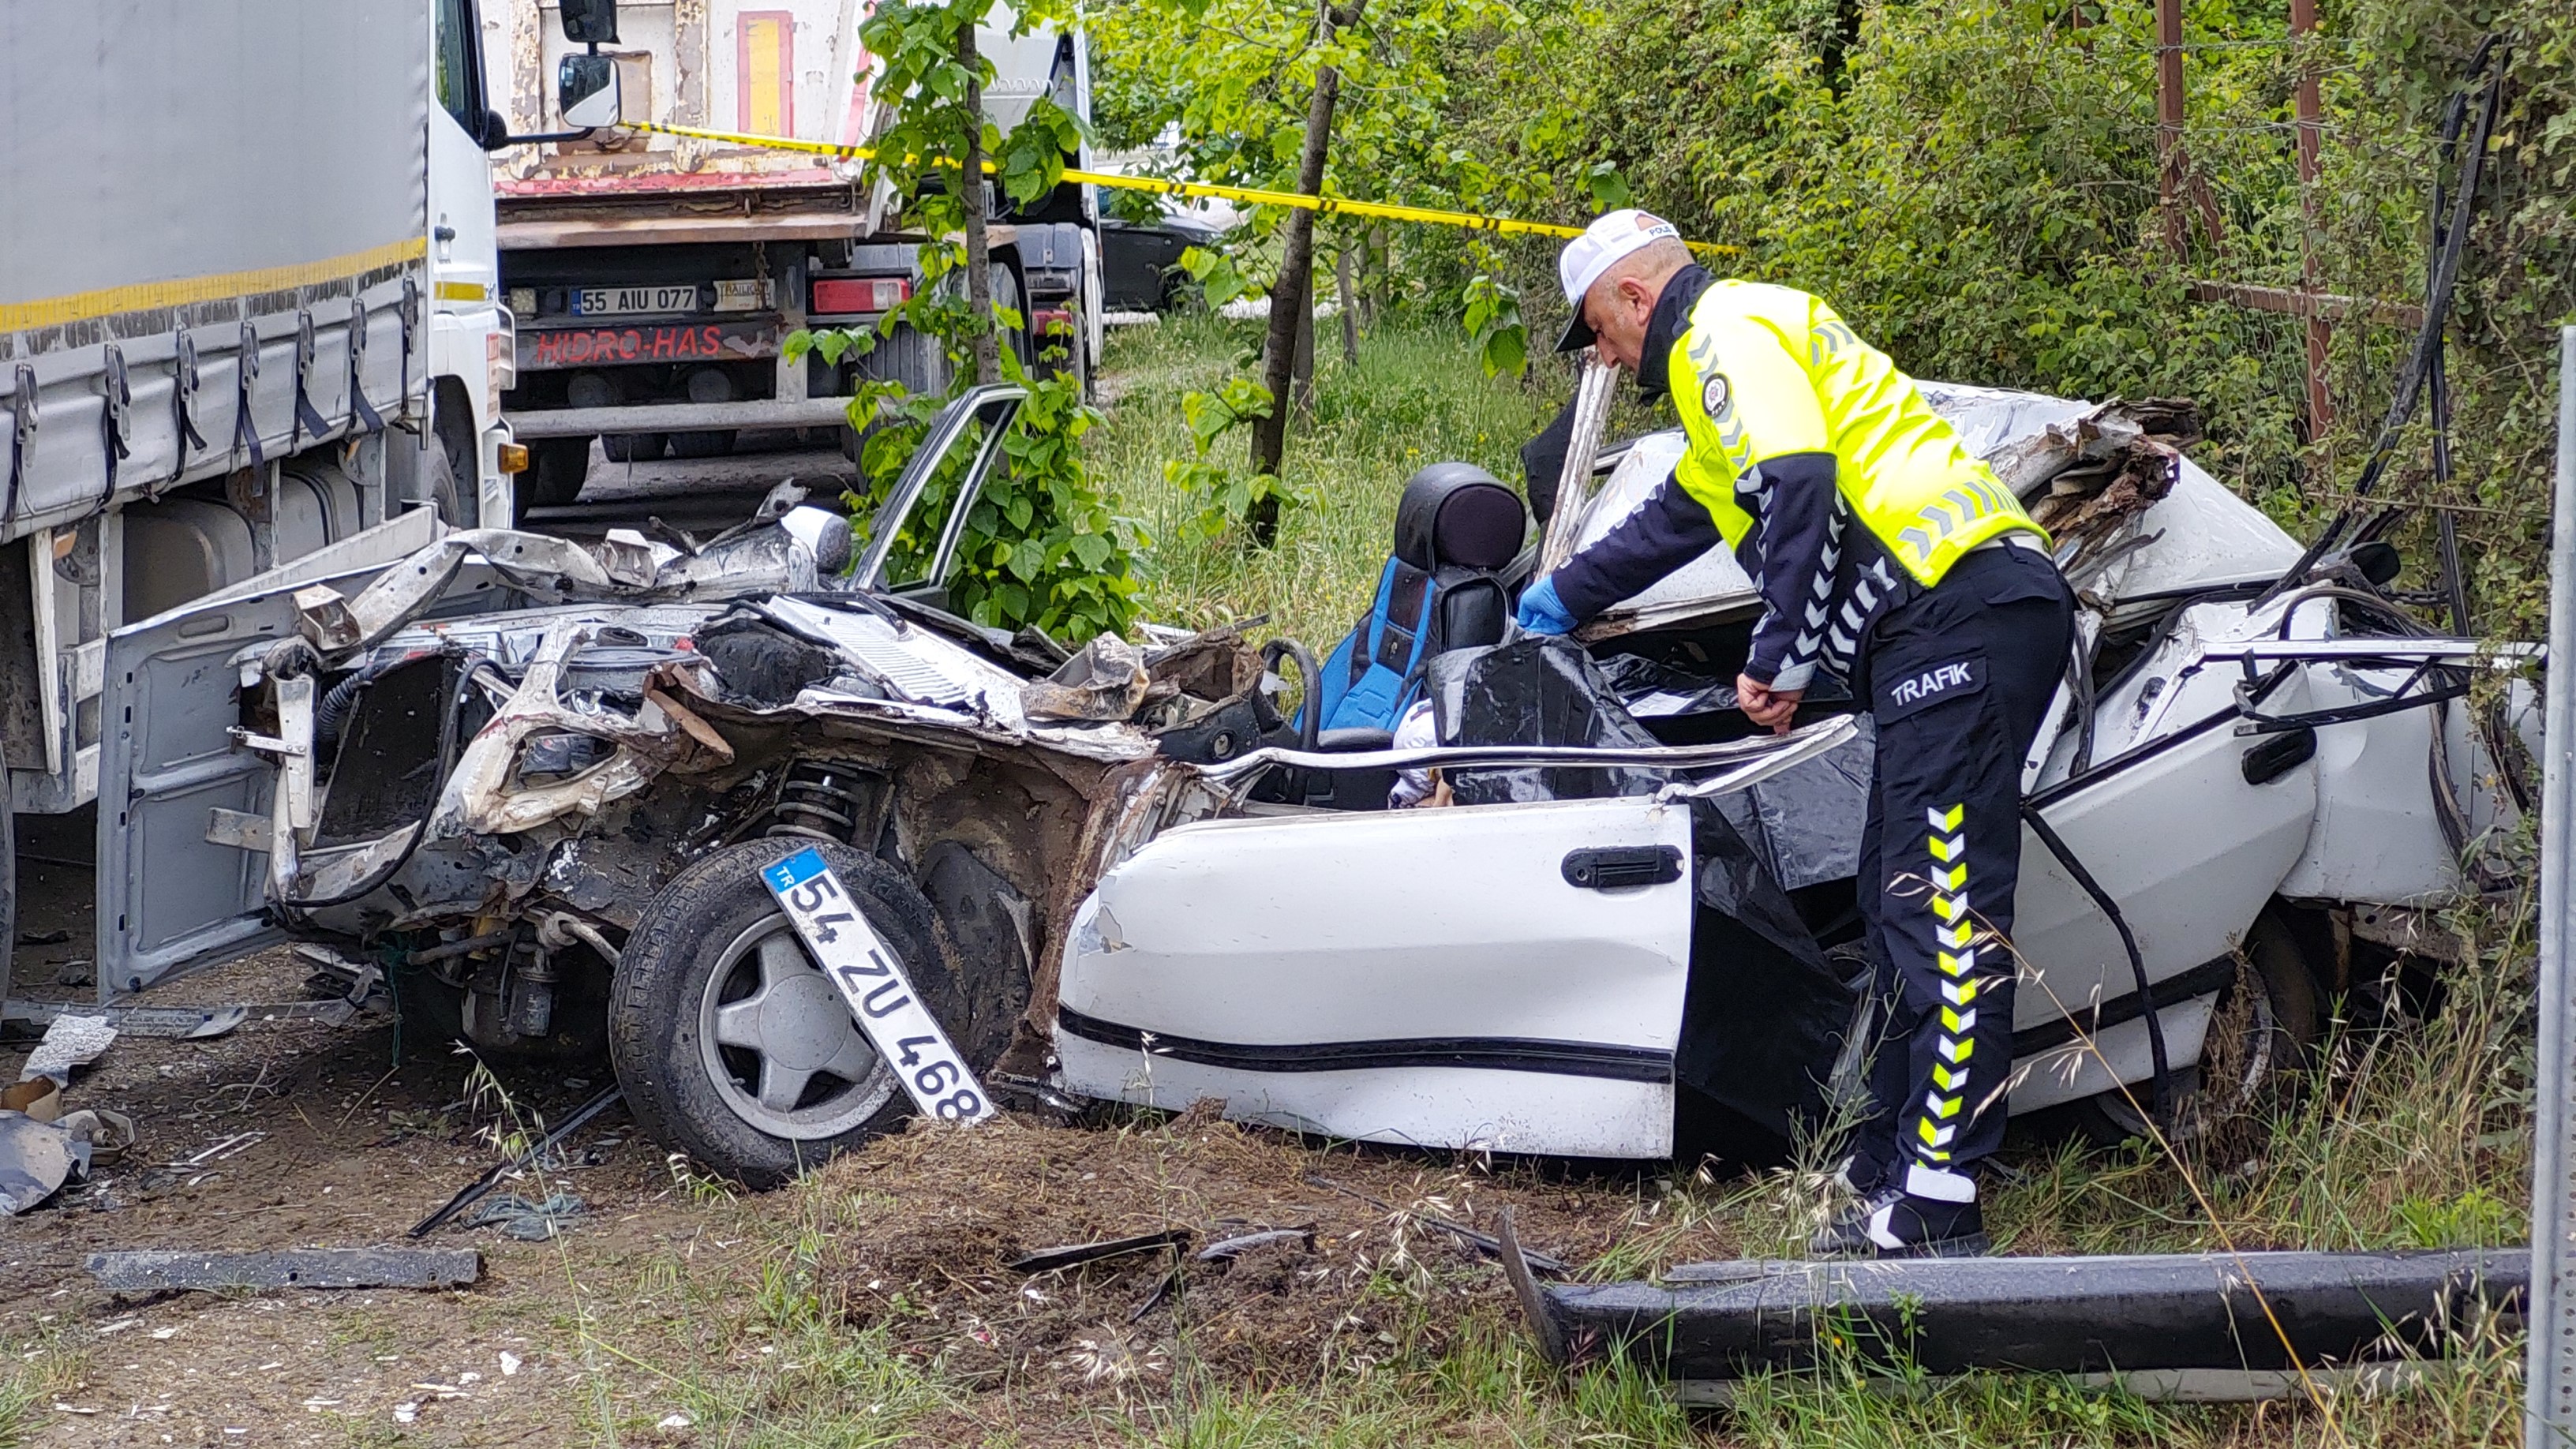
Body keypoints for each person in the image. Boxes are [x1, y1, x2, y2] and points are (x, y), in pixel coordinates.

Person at [1516, 210, 2074, 1258]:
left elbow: (1804, 485)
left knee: (1938, 906)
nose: (1601, 353)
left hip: (1959, 605)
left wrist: (1780, 653)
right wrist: (1557, 595)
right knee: (1892, 894)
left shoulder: (1725, 329)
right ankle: (1888, 1167)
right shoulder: (1723, 392)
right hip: (1939, 623)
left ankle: (1939, 1204)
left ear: (1636, 299)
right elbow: (1680, 519)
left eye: (1597, 327)